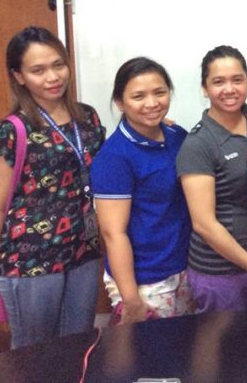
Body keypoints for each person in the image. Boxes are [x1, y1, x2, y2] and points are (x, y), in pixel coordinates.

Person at [0, 26, 105, 349]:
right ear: (19, 76)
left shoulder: (87, 117)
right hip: (30, 259)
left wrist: (153, 126)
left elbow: (109, 167)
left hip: (83, 251)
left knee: (78, 346)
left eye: (58, 65)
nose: (52, 77)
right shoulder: (13, 129)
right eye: (38, 70)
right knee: (34, 353)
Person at [177, 46, 247, 312]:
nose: (229, 89)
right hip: (220, 273)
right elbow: (204, 224)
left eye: (237, 80)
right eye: (218, 82)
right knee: (228, 339)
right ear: (204, 88)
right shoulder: (198, 143)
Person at [93, 57, 192, 323]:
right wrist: (131, 299)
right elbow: (113, 233)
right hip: (145, 279)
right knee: (151, 349)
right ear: (120, 102)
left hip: (185, 267)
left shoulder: (177, 136)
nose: (152, 103)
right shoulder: (114, 156)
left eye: (159, 92)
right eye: (138, 96)